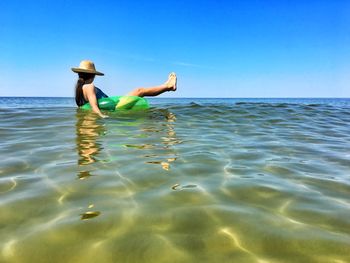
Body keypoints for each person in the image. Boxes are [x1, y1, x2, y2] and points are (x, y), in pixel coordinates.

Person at [72, 60, 177, 118]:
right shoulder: (89, 87)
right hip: (115, 106)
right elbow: (94, 105)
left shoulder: (80, 88)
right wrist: (100, 115)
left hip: (113, 104)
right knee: (140, 91)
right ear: (93, 75)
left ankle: (166, 85)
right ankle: (168, 86)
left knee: (139, 91)